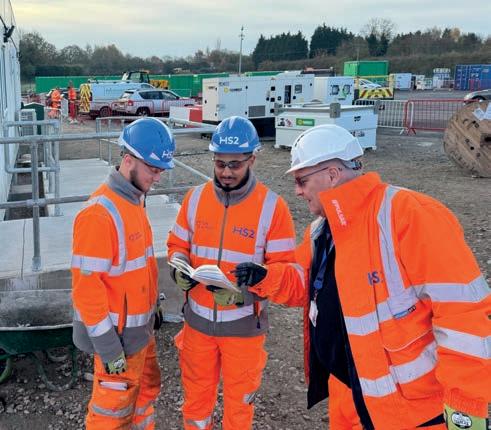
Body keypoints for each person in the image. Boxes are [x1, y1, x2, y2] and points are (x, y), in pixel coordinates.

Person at [234, 124, 490, 430]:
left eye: (302, 181)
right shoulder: (321, 230)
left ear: (332, 174)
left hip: (413, 412)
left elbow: (464, 316)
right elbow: (306, 286)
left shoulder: (409, 215)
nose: (298, 191)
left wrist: (464, 406)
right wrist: (265, 277)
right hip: (349, 396)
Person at [167, 116, 298, 429]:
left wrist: (247, 292)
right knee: (196, 404)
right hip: (197, 326)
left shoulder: (272, 207)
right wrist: (178, 267)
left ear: (252, 159)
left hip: (243, 331)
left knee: (239, 409)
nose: (226, 172)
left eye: (235, 164)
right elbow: (177, 244)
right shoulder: (195, 198)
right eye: (220, 163)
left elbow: (285, 272)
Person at [71, 117, 175, 429]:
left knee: (144, 396)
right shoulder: (99, 214)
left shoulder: (134, 201)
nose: (157, 177)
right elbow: (86, 291)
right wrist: (109, 349)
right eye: (152, 169)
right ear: (128, 160)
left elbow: (139, 268)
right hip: (117, 344)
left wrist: (153, 308)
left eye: (160, 170)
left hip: (140, 335)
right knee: (109, 417)